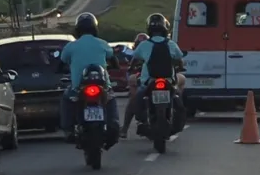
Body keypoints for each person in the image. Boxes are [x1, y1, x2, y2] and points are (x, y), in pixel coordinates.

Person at [59, 12, 121, 145]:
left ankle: (68, 129)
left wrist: (60, 70)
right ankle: (114, 125)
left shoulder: (71, 46)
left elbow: (61, 62)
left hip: (78, 87)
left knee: (66, 98)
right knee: (110, 99)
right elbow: (113, 60)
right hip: (103, 85)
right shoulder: (102, 44)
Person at [131, 14, 186, 133]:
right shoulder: (171, 44)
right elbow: (180, 59)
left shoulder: (144, 45)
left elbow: (135, 59)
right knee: (177, 98)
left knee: (139, 97)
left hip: (149, 81)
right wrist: (180, 67)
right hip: (169, 80)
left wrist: (132, 67)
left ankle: (140, 122)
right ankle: (178, 123)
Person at [120, 33, 149, 138]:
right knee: (133, 99)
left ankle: (124, 129)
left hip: (150, 80)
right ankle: (124, 128)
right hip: (144, 81)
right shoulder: (136, 54)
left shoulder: (143, 51)